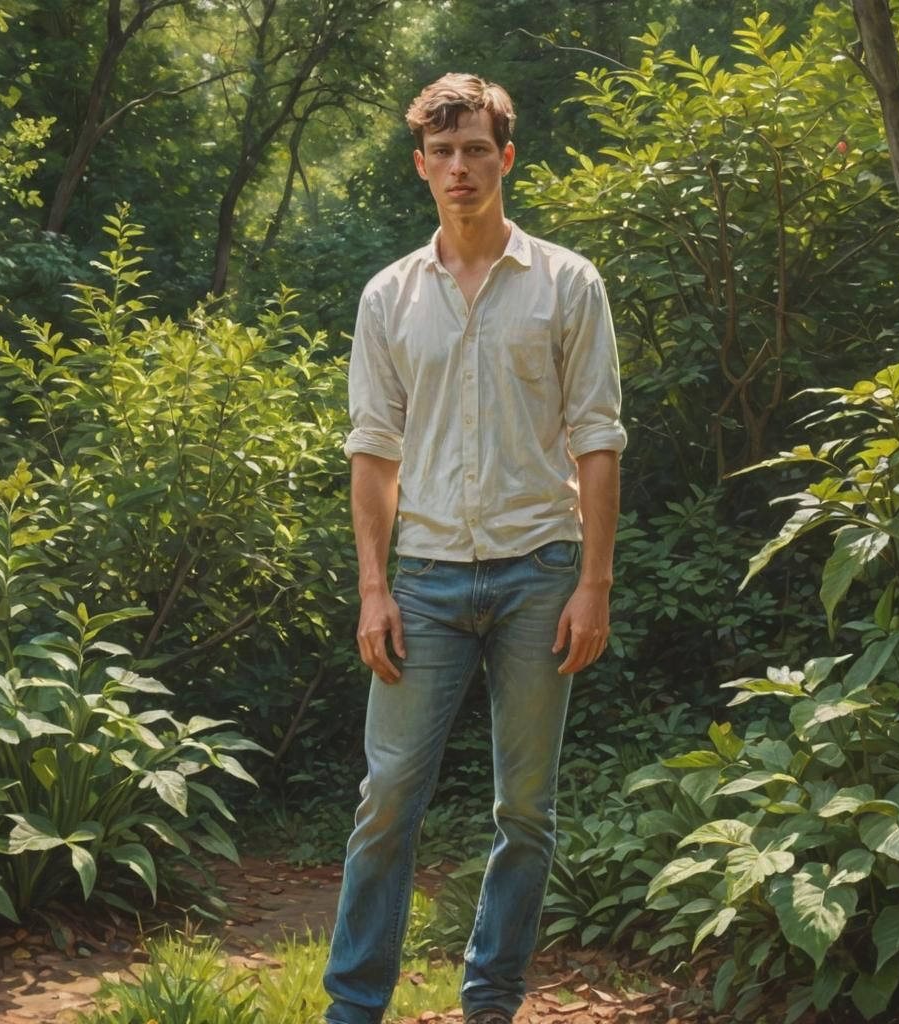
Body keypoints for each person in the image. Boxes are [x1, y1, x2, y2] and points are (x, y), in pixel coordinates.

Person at [323, 72, 626, 1024]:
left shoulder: (569, 284)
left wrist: (594, 584)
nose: (461, 167)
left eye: (477, 150)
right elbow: (373, 452)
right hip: (424, 581)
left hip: (541, 571)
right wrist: (374, 589)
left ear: (505, 157)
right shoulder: (389, 297)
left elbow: (599, 439)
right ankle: (353, 1007)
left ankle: (490, 1003)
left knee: (524, 812)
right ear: (422, 167)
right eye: (444, 153)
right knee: (387, 801)